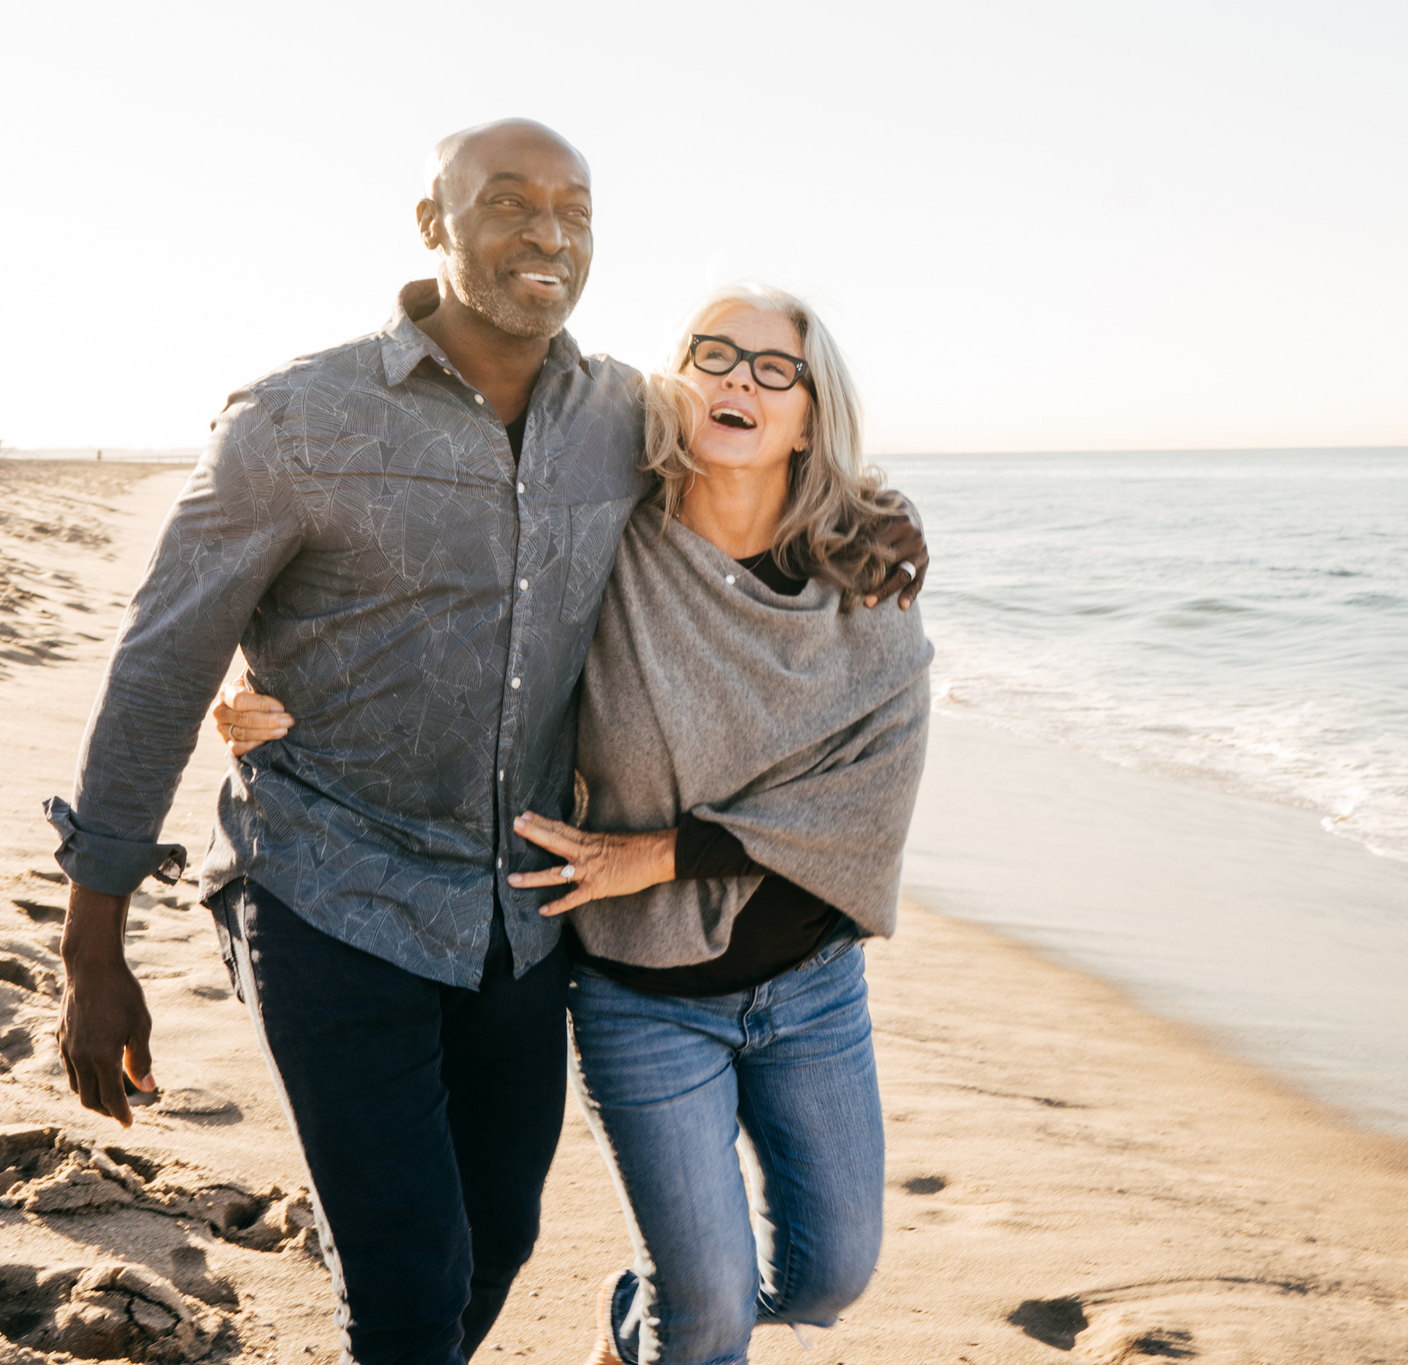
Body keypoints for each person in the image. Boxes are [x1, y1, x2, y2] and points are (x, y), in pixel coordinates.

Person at [48, 120, 927, 1365]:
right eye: (508, 203)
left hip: (517, 917)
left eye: (574, 209)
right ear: (432, 225)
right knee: (410, 1286)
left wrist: (879, 507)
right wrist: (94, 945)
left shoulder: (628, 415)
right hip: (328, 890)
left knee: (497, 1241)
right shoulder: (298, 421)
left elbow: (770, 457)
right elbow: (159, 663)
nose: (547, 233)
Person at [221, 285, 933, 1365]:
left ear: (811, 411)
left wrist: (663, 854)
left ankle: (632, 1313)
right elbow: (448, 619)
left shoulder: (861, 567)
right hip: (641, 997)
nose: (740, 378)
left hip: (812, 988)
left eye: (773, 367)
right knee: (708, 1318)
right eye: (715, 354)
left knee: (828, 1277)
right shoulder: (605, 537)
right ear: (678, 380)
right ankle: (674, 1309)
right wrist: (280, 681)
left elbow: (870, 788)